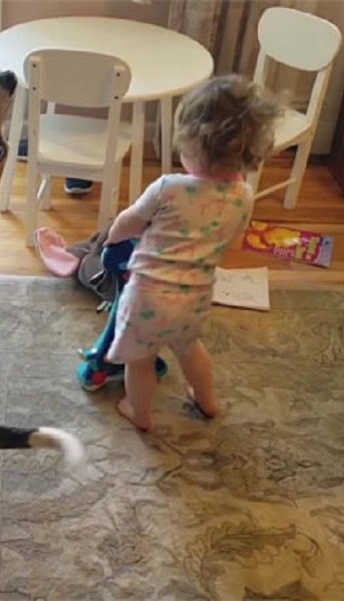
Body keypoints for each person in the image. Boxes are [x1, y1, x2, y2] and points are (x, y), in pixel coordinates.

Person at [103, 74, 282, 431]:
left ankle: (139, 414)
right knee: (189, 348)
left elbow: (130, 220)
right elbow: (231, 237)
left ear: (194, 144)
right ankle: (207, 401)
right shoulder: (244, 196)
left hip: (147, 297)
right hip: (195, 295)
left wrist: (112, 238)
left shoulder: (169, 187)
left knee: (140, 360)